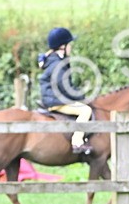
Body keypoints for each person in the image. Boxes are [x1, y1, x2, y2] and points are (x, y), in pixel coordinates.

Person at [38, 27, 92, 155]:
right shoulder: (58, 64)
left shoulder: (53, 59)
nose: (71, 48)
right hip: (56, 101)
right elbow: (65, 87)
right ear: (63, 46)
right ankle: (77, 141)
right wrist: (82, 97)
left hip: (55, 98)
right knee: (85, 110)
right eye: (69, 45)